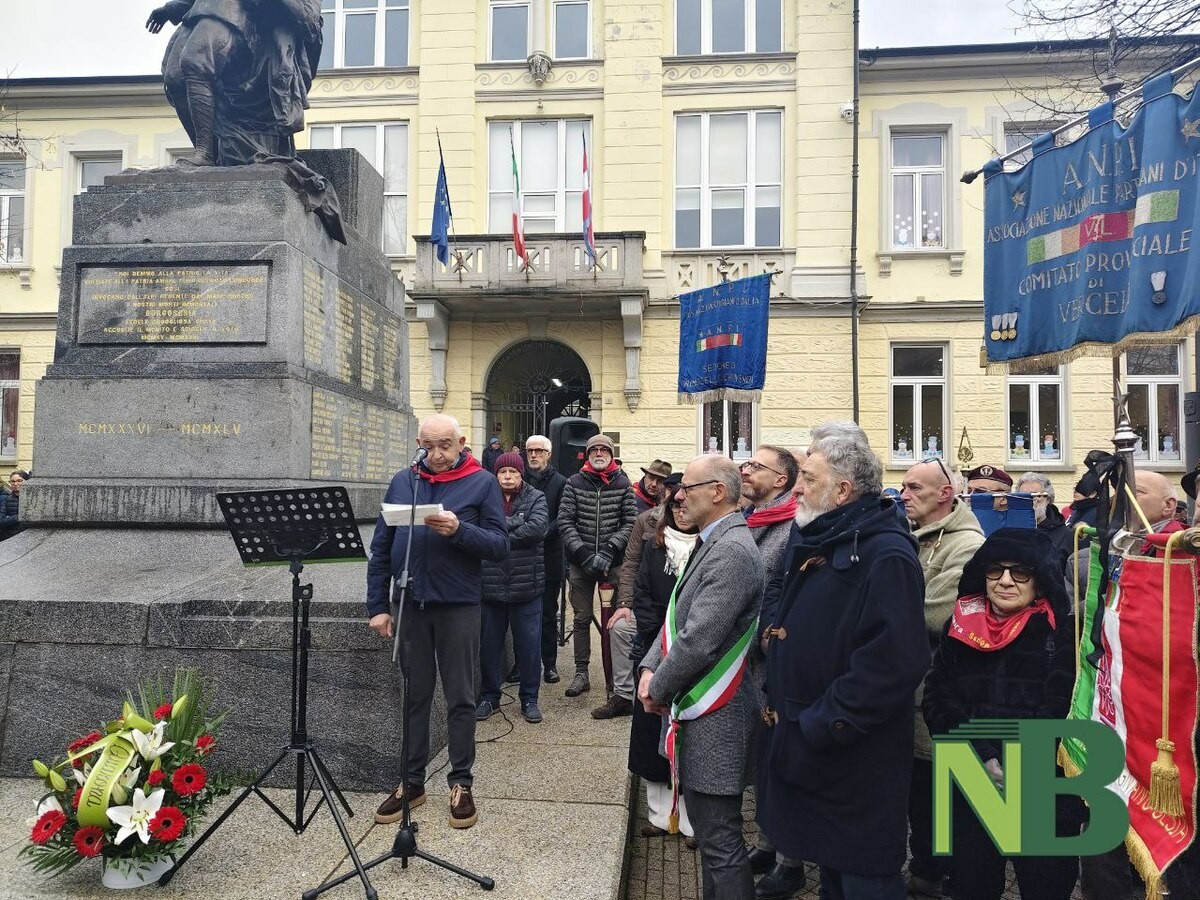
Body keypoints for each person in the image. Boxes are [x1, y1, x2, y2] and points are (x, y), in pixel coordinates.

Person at [758, 422, 928, 900]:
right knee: (834, 873)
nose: (797, 487)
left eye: (808, 479)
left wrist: (823, 723)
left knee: (865, 879)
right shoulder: (828, 536)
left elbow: (894, 662)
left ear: (843, 490)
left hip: (852, 755)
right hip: (821, 751)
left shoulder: (885, 553)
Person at [923, 528, 1083, 900]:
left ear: (1040, 580)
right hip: (970, 777)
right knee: (971, 884)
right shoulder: (961, 625)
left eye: (1020, 572)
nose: (1006, 581)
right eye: (996, 570)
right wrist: (982, 754)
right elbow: (938, 696)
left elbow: (1063, 707)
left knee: (1045, 886)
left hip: (1043, 787)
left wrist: (1015, 761)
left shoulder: (1062, 634)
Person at [367, 414, 509, 830]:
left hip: (459, 604)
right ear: (418, 443)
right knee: (415, 696)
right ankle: (411, 782)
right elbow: (381, 548)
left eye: (445, 444)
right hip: (410, 603)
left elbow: (499, 545)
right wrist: (378, 605)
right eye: (429, 446)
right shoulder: (403, 482)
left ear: (462, 441)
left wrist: (459, 530)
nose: (437, 454)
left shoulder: (481, 481)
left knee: (461, 697)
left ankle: (461, 782)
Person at [637, 455, 764, 900]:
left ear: (717, 491)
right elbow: (678, 614)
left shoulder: (730, 550)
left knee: (721, 841)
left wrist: (659, 686)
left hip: (718, 715)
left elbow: (700, 640)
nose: (677, 495)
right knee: (714, 840)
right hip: (702, 710)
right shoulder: (712, 540)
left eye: (687, 487)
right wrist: (650, 666)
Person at [898, 457, 984, 900]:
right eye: (904, 487)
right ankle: (926, 869)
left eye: (914, 487)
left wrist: (883, 607)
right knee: (917, 793)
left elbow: (937, 613)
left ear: (945, 494)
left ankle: (935, 876)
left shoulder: (966, 545)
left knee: (936, 796)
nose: (904, 494)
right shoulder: (910, 537)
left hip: (936, 694)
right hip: (910, 693)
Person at [735, 444, 802, 895]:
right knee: (760, 760)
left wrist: (765, 638)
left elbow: (781, 591)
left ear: (781, 480)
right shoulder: (747, 518)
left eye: (756, 465)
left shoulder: (793, 524)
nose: (746, 469)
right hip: (741, 658)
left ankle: (791, 861)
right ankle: (767, 842)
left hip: (770, 657)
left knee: (781, 762)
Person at [146, 0, 323, 166]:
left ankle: (205, 152)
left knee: (195, 61)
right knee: (175, 78)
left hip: (241, 15)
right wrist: (171, 8)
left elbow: (307, 16)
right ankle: (212, 156)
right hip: (201, 11)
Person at [627, 472, 699, 841]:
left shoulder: (707, 547)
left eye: (687, 507)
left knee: (686, 738)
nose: (682, 512)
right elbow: (642, 592)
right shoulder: (656, 547)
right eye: (676, 507)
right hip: (655, 649)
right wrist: (658, 641)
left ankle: (689, 821)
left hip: (693, 653)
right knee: (651, 737)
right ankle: (659, 816)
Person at [558, 434, 638, 703]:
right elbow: (565, 521)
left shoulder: (624, 484)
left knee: (616, 622)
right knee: (580, 618)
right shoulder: (574, 483)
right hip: (580, 564)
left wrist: (609, 550)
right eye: (595, 450)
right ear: (588, 454)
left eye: (605, 449)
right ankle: (582, 672)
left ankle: (617, 676)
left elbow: (630, 522)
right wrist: (582, 553)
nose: (600, 453)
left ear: (611, 454)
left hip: (613, 564)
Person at [477, 451, 549, 725]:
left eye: (513, 472)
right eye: (503, 472)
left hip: (526, 586)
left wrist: (499, 533)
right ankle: (489, 696)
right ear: (496, 475)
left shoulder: (536, 497)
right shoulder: (486, 497)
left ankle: (529, 698)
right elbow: (479, 529)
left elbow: (537, 528)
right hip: (491, 585)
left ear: (521, 474)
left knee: (529, 647)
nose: (507, 477)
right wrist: (516, 522)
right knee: (489, 646)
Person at [602, 460, 677, 720]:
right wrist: (624, 604)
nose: (656, 486)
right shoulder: (645, 520)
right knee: (621, 627)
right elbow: (631, 562)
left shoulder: (698, 524)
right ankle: (624, 695)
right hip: (647, 605)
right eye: (652, 479)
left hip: (677, 611)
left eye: (666, 485)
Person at [524, 434, 568, 684]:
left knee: (548, 614)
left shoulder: (560, 482)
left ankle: (549, 664)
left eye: (539, 451)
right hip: (522, 558)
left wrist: (538, 533)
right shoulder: (519, 479)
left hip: (549, 556)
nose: (533, 455)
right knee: (521, 615)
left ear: (548, 454)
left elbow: (562, 517)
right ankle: (522, 664)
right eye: (530, 451)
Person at [1017, 471, 1073, 567]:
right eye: (1023, 497)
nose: (1030, 501)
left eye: (1036, 496)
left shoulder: (1065, 535)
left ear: (1048, 499)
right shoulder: (1009, 528)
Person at [0, 469, 29, 542]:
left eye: (19, 481)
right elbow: (1, 521)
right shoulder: (6, 499)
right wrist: (19, 517)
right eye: (12, 481)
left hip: (27, 538)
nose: (15, 484)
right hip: (9, 537)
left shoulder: (32, 499)